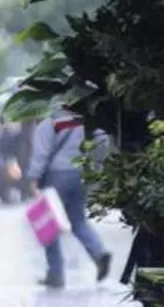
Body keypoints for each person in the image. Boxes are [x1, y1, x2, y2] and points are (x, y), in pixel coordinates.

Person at [28, 101, 112, 289]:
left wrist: (33, 178)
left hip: (57, 175)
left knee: (49, 224)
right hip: (80, 174)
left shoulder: (50, 122)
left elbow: (41, 153)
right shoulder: (85, 121)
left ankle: (55, 273)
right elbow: (102, 141)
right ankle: (98, 253)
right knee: (78, 221)